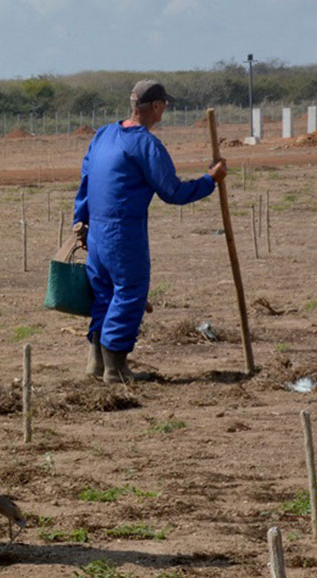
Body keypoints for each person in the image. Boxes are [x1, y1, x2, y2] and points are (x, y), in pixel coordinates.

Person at [73, 80, 227, 384]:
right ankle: (115, 369)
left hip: (96, 231)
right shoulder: (145, 143)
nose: (166, 109)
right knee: (129, 294)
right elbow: (172, 191)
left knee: (104, 295)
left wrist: (80, 224)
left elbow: (85, 182)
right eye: (165, 104)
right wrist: (211, 180)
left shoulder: (104, 134)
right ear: (155, 107)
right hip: (123, 233)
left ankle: (96, 364)